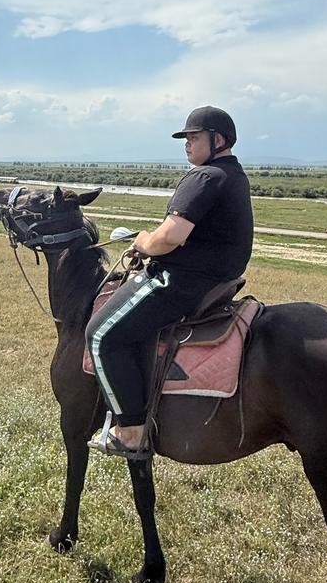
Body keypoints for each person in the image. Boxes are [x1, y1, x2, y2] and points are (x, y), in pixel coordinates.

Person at [86, 105, 254, 457]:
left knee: (99, 335)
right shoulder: (234, 176)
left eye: (194, 137)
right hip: (215, 280)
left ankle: (131, 430)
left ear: (218, 139)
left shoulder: (205, 177)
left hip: (181, 282)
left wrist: (143, 241)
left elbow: (169, 238)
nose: (187, 144)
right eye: (186, 139)